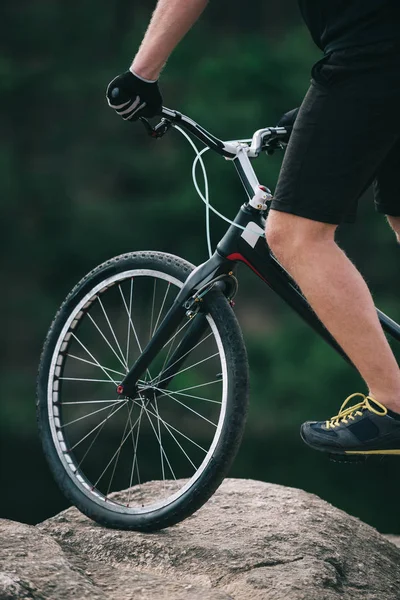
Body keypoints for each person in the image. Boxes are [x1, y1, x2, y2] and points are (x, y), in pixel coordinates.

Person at [106, 0, 400, 456]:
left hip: (371, 51)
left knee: (293, 236)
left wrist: (140, 75)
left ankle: (394, 405)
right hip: (377, 53)